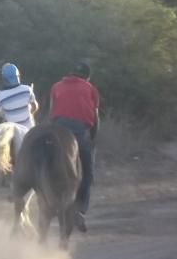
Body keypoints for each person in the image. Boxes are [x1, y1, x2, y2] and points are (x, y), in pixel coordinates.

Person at [49, 62, 100, 233]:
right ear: (87, 76)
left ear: (71, 73)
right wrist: (92, 141)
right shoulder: (91, 88)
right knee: (87, 172)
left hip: (58, 129)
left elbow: (51, 113)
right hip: (79, 131)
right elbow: (95, 118)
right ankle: (80, 210)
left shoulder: (56, 86)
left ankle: (49, 202)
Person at [0, 63, 39, 129]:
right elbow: (35, 107)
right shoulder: (27, 89)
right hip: (28, 131)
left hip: (10, 131)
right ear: (18, 76)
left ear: (4, 78)